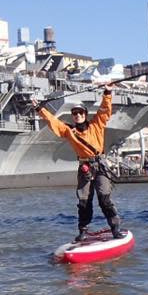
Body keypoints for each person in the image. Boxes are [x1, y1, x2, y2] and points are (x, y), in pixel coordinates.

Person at [33, 85, 123, 241]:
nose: (78, 115)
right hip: (84, 167)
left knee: (104, 198)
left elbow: (104, 110)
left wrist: (107, 93)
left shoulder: (96, 125)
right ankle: (83, 230)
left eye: (80, 112)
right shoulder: (69, 131)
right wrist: (40, 109)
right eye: (74, 113)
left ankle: (115, 228)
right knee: (83, 201)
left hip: (100, 164)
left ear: (85, 114)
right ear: (72, 116)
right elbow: (53, 122)